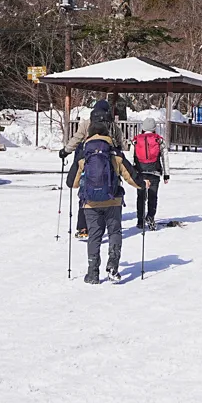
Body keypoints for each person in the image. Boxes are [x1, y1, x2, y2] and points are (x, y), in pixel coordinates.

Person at [67, 114, 142, 284]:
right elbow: (130, 176)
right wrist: (142, 185)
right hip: (113, 200)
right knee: (114, 232)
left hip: (90, 203)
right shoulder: (114, 152)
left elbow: (72, 183)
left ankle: (93, 273)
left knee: (94, 235)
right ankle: (113, 266)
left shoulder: (84, 154)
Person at [63, 100, 112, 239]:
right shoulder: (110, 124)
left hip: (87, 162)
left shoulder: (85, 123)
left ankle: (82, 226)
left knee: (84, 193)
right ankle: (101, 226)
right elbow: (118, 142)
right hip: (105, 163)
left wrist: (66, 150)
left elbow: (77, 138)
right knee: (107, 192)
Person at [132, 116, 169, 231]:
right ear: (154, 129)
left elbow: (130, 157)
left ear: (143, 128)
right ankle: (150, 216)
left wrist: (132, 173)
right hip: (155, 172)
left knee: (141, 196)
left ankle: (140, 220)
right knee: (153, 196)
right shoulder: (159, 140)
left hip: (140, 172)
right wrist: (166, 174)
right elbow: (165, 157)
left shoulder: (136, 140)